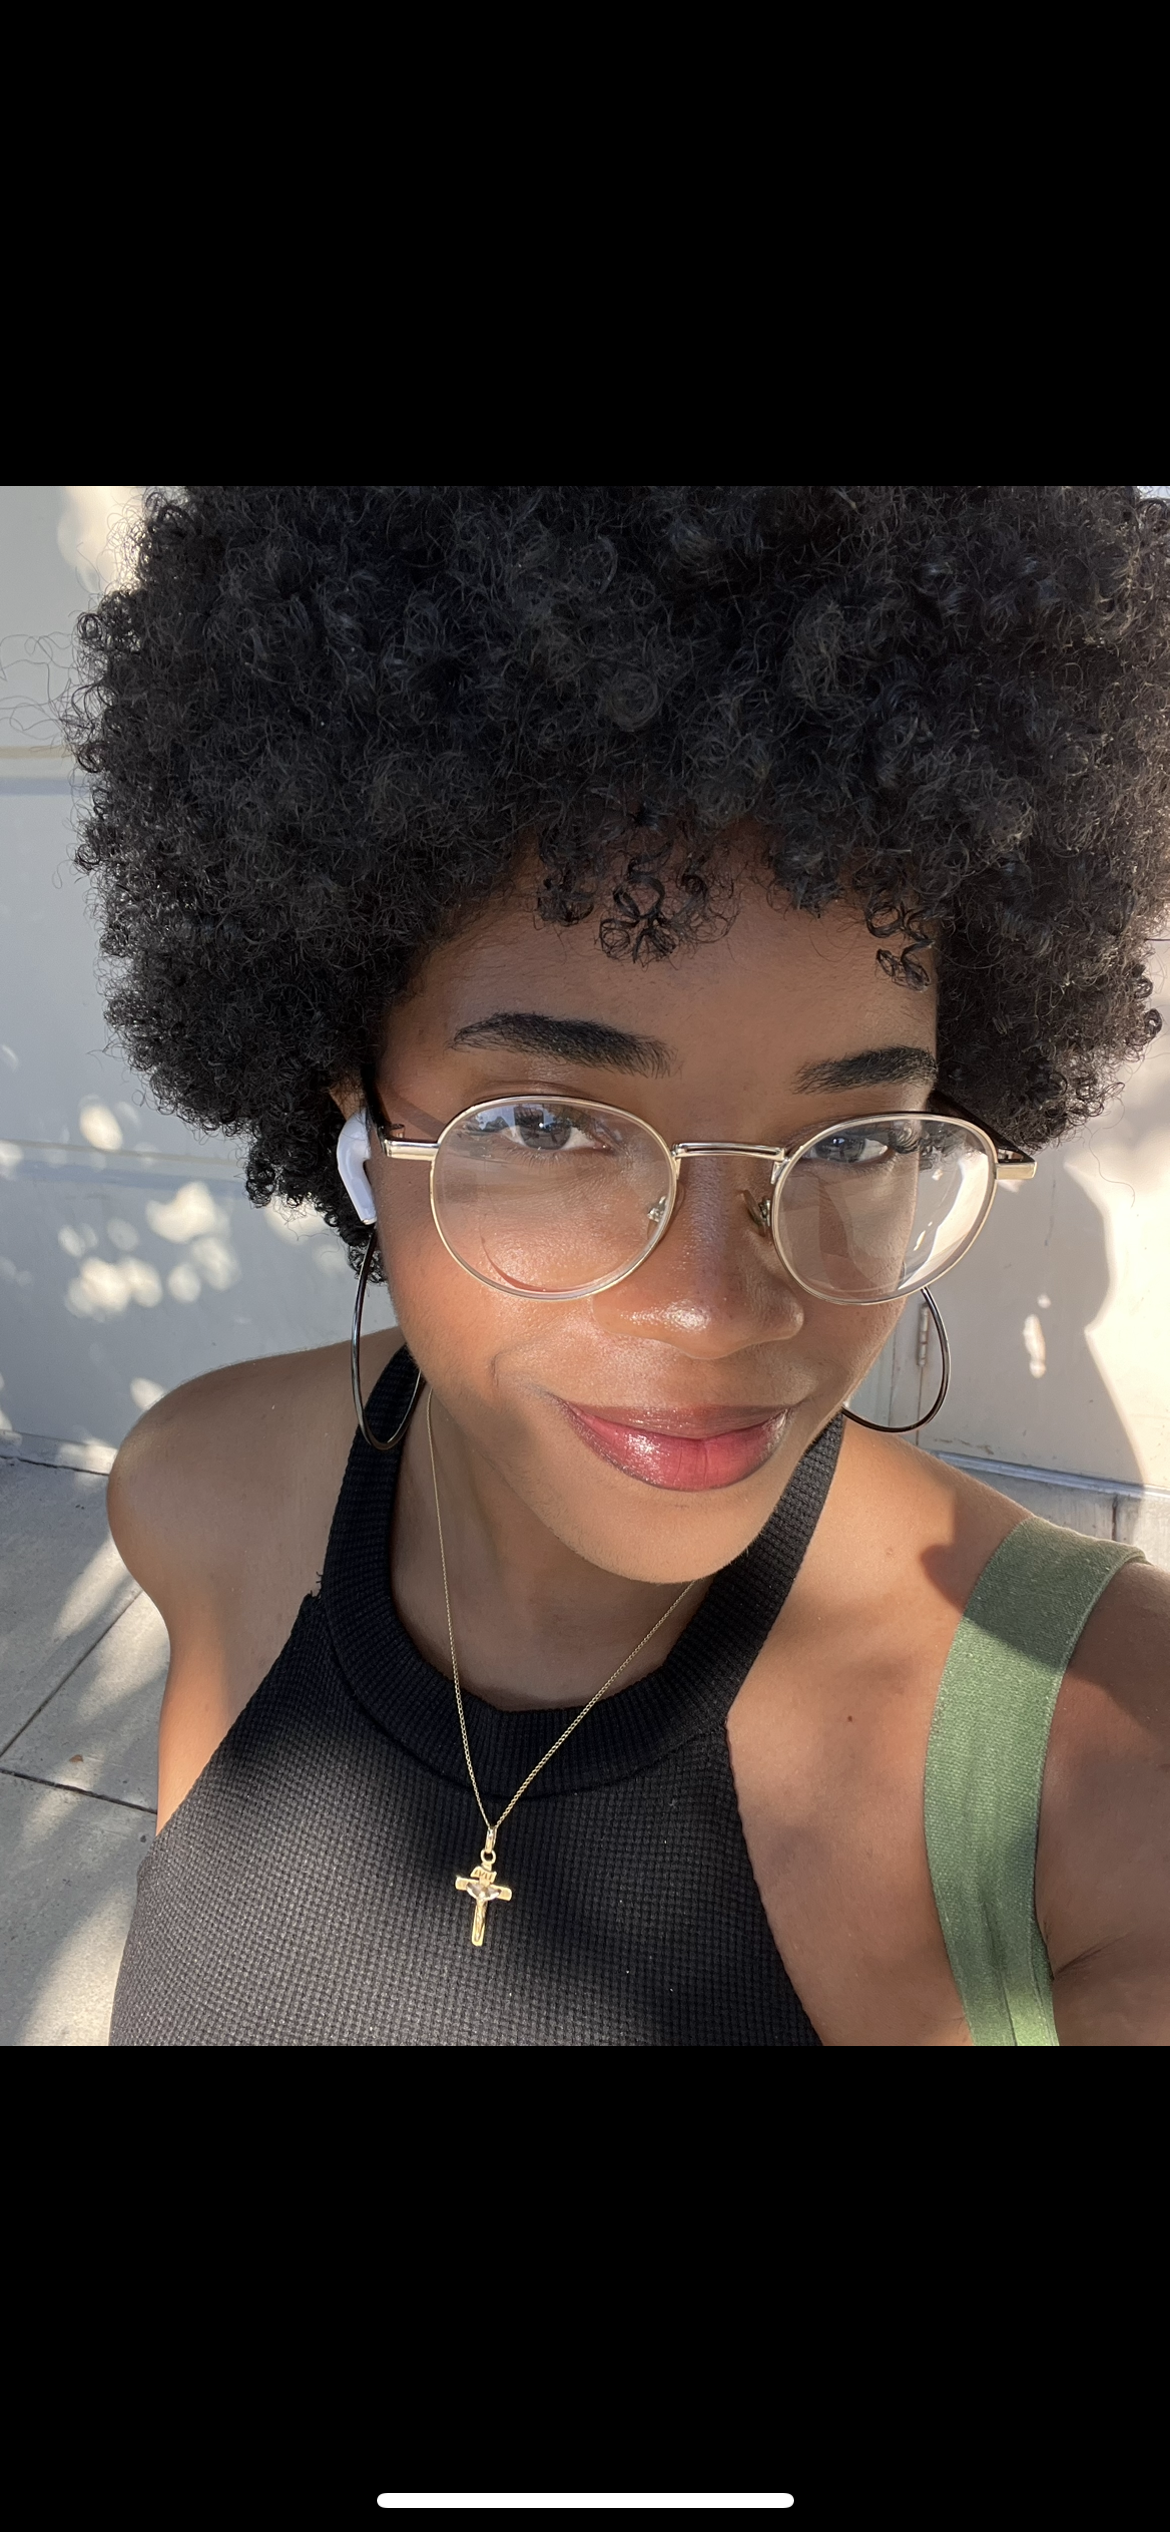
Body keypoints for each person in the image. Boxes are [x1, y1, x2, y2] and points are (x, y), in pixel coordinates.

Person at [71, 485, 1170, 2047]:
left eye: (855, 1138)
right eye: (549, 1124)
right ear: (355, 1105)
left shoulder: (1107, 1778)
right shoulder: (195, 1497)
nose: (717, 1307)